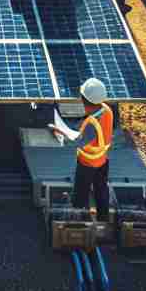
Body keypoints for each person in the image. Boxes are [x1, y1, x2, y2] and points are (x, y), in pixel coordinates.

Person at [50, 78, 115, 221]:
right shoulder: (107, 110)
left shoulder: (91, 123)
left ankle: (80, 221)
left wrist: (62, 132)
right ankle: (103, 220)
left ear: (85, 102)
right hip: (103, 161)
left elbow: (79, 142)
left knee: (81, 193)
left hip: (87, 164)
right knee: (101, 190)